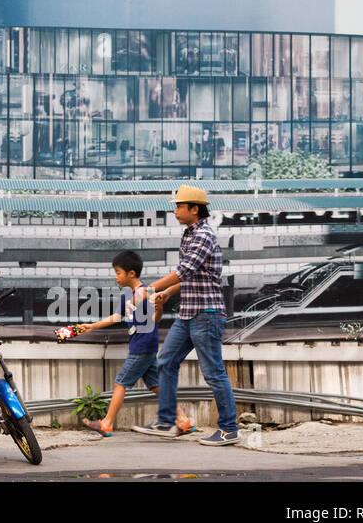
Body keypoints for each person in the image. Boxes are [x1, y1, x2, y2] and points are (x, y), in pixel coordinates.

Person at [132, 185, 241, 445]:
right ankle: (168, 421)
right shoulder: (189, 234)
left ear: (195, 209)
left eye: (180, 206)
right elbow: (194, 275)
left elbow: (185, 269)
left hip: (206, 314)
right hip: (188, 313)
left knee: (213, 372)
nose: (175, 210)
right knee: (166, 362)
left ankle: (229, 429)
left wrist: (150, 289)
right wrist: (169, 292)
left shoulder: (203, 235)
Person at [75, 250, 194, 437]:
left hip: (142, 347)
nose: (116, 277)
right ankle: (183, 420)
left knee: (120, 383)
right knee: (156, 386)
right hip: (143, 348)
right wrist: (92, 326)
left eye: (118, 272)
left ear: (131, 273)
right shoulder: (127, 296)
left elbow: (155, 319)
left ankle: (107, 423)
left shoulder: (145, 294)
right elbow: (117, 316)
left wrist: (160, 307)